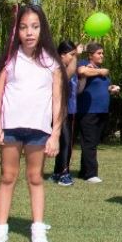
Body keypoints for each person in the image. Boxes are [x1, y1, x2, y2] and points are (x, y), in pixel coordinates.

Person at [0, 5, 64, 242]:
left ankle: (38, 230)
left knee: (35, 178)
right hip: (11, 130)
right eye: (23, 27)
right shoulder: (9, 61)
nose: (29, 32)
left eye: (35, 27)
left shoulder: (52, 64)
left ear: (43, 29)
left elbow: (57, 102)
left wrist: (55, 135)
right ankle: (0, 230)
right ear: (16, 31)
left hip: (38, 131)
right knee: (8, 177)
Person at [76, 42, 120, 183]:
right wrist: (100, 72)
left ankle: (84, 171)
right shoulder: (84, 64)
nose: (102, 55)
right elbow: (81, 72)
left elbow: (102, 87)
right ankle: (91, 174)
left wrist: (111, 88)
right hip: (88, 110)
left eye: (102, 53)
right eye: (99, 53)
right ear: (90, 55)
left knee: (93, 142)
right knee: (89, 142)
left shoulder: (102, 70)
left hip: (102, 111)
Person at [50, 40, 84, 186]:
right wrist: (77, 55)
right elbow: (67, 77)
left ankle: (57, 172)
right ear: (62, 55)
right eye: (70, 54)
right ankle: (64, 173)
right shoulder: (58, 68)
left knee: (66, 141)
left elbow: (78, 89)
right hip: (61, 110)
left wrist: (84, 78)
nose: (72, 57)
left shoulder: (70, 67)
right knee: (66, 142)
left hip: (71, 110)